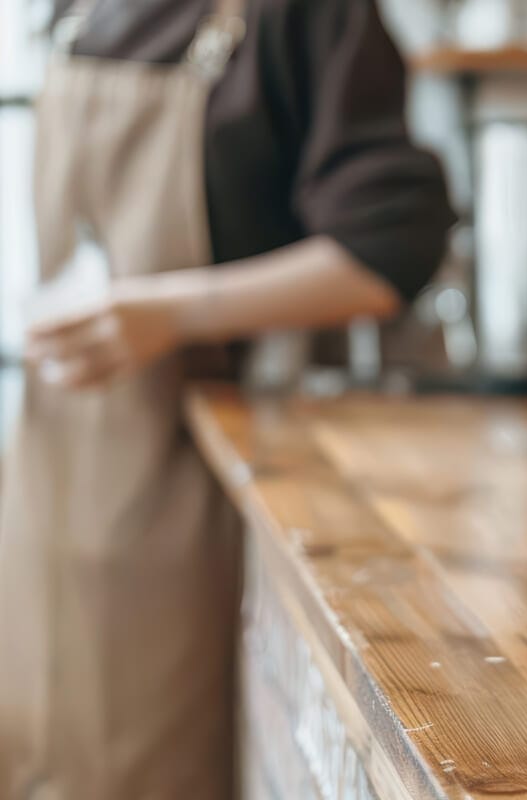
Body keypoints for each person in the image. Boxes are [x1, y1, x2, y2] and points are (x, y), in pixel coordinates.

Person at [0, 0, 456, 797]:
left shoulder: (306, 17)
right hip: (48, 475)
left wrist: (168, 311)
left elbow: (389, 250)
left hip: (190, 493)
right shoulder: (79, 12)